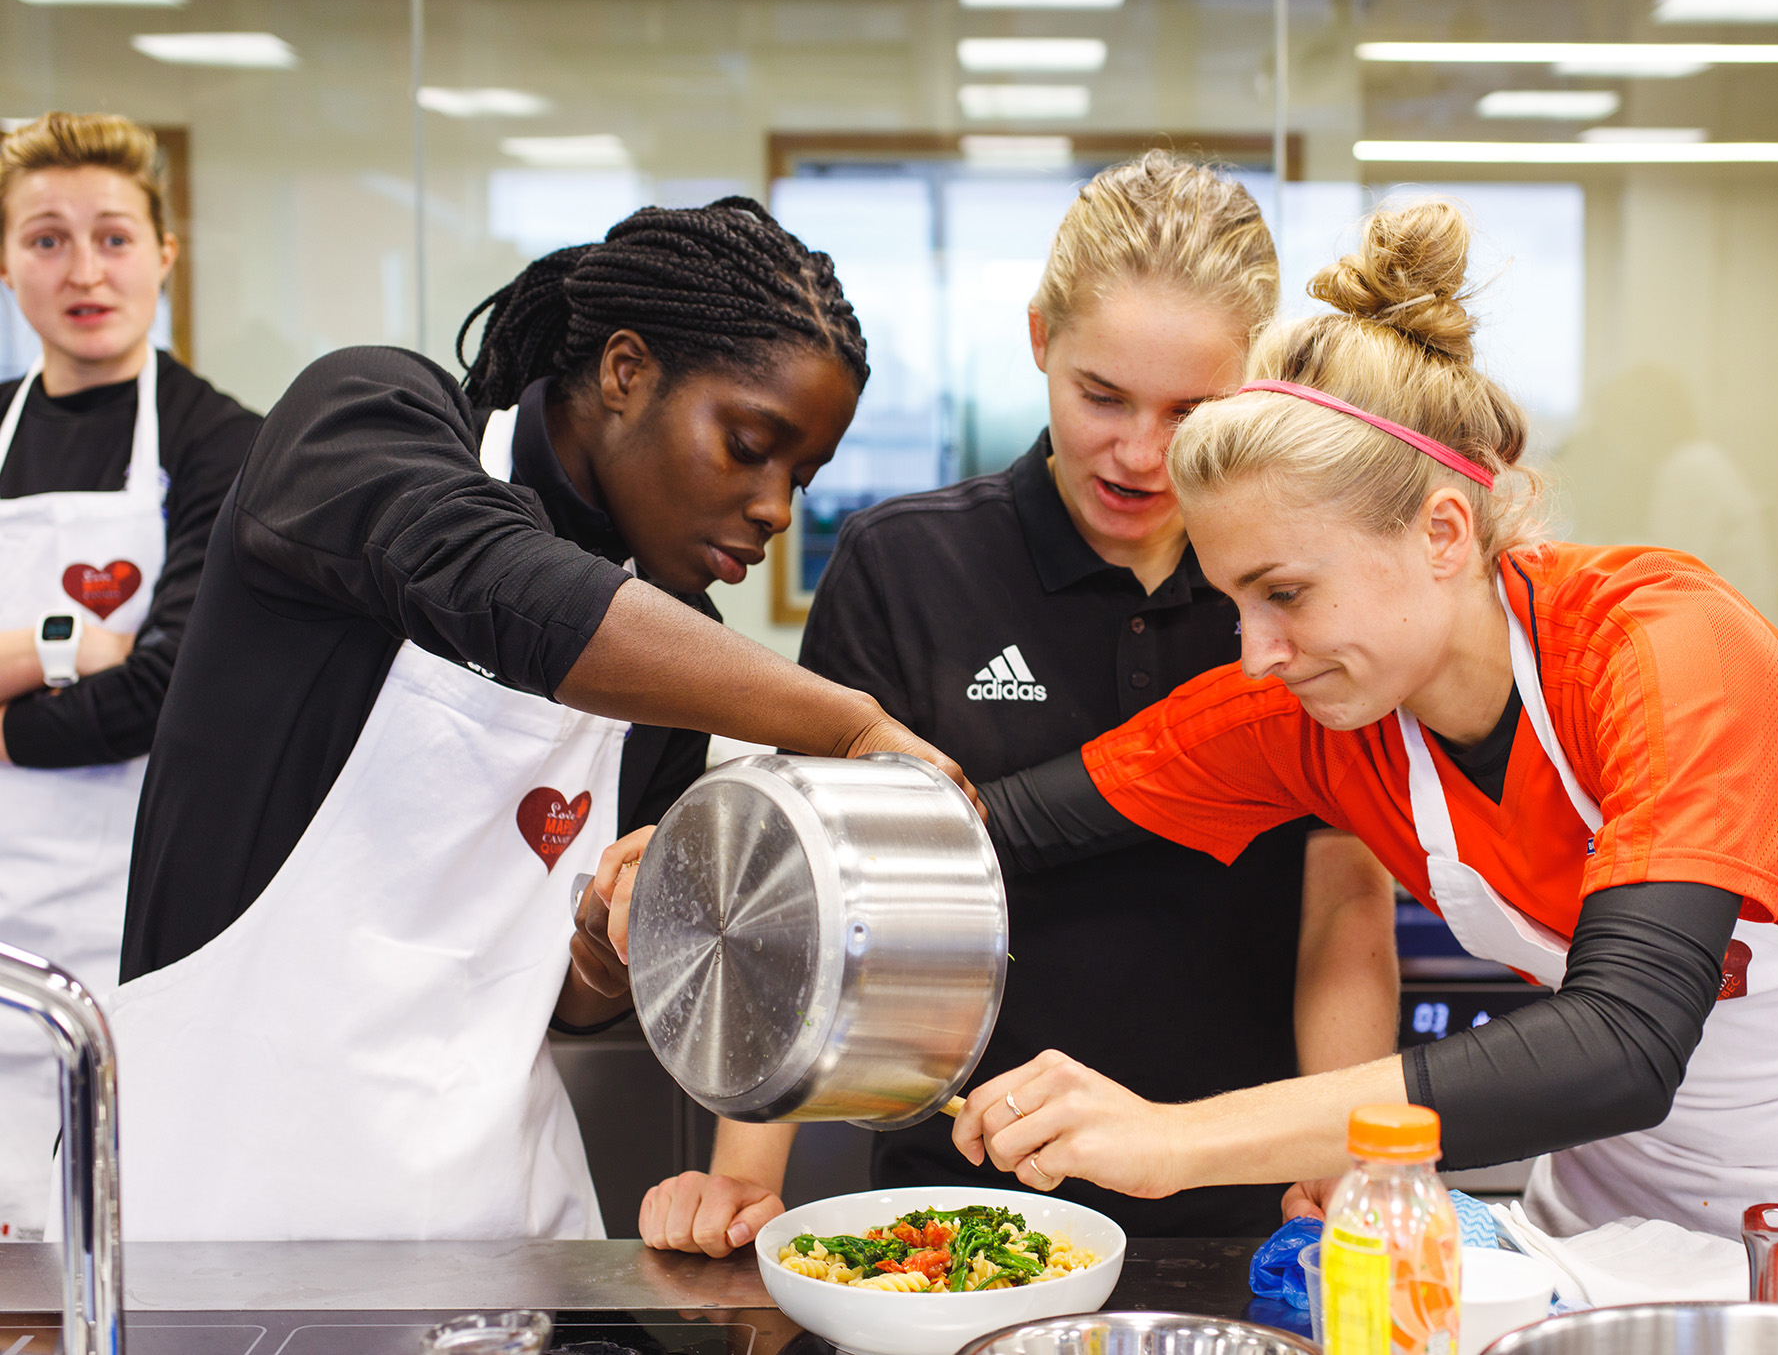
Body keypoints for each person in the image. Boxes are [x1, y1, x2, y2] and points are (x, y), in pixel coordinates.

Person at [950, 200, 1778, 1353]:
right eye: (1232, 601)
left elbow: (1622, 1038)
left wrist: (1177, 1139)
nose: (1255, 650)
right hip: (1624, 1215)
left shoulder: (1667, 648)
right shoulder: (1315, 709)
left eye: (1284, 592)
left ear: (1441, 530)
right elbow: (1002, 826)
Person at [110, 199, 971, 1243]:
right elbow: (504, 586)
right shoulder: (367, 421)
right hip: (228, 1195)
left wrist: (612, 949)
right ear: (624, 371)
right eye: (749, 444)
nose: (775, 506)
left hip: (499, 1221)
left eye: (803, 476)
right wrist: (848, 724)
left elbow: (567, 1007)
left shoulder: (669, 648)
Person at [637, 152, 1397, 1255]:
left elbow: (1343, 901)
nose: (1141, 453)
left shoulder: (1294, 586)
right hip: (960, 1212)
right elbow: (815, 903)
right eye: (1101, 396)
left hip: (1244, 1204)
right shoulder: (907, 565)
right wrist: (744, 1176)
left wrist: (1334, 1166)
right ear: (1040, 338)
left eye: (1192, 409)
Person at [0, 112, 259, 1241]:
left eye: (112, 235)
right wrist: (75, 648)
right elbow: (122, 670)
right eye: (46, 240)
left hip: (140, 936)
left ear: (163, 253)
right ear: (4, 262)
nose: (84, 269)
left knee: (110, 1241)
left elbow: (172, 690)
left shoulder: (223, 443)